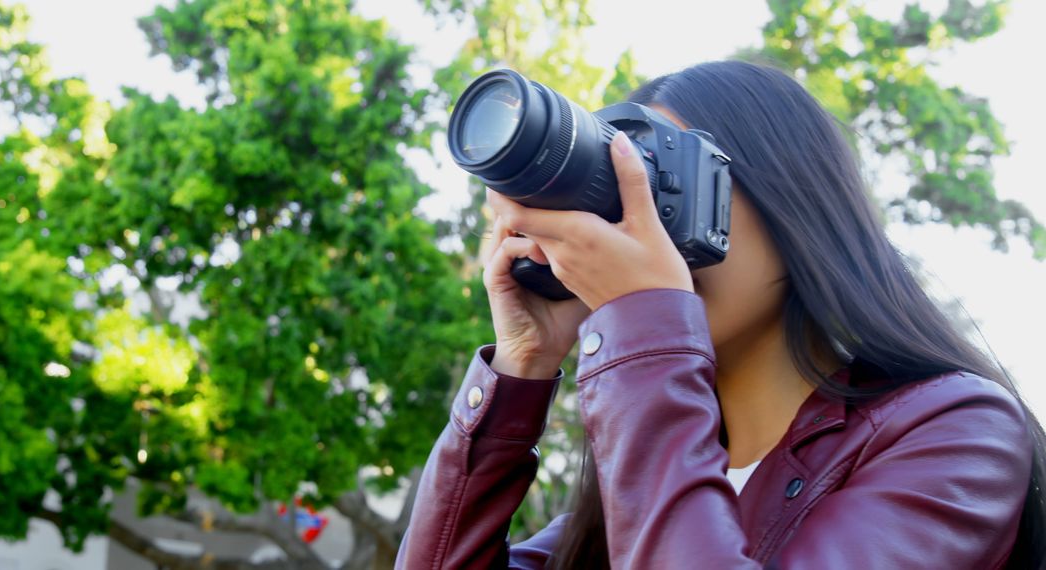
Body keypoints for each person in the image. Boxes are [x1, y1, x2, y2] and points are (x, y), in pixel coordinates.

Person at [393, 60, 1046, 569]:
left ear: (793, 203)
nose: (639, 232)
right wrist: (521, 368)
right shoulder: (637, 497)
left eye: (663, 186)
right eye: (619, 203)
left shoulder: (956, 434)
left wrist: (644, 320)